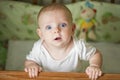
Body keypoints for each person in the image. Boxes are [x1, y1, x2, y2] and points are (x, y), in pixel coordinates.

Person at [24, 3, 102, 80]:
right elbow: (30, 60)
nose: (56, 30)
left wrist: (94, 66)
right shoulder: (39, 48)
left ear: (72, 29)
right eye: (49, 27)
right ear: (41, 34)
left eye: (63, 25)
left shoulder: (79, 46)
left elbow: (95, 54)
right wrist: (31, 65)